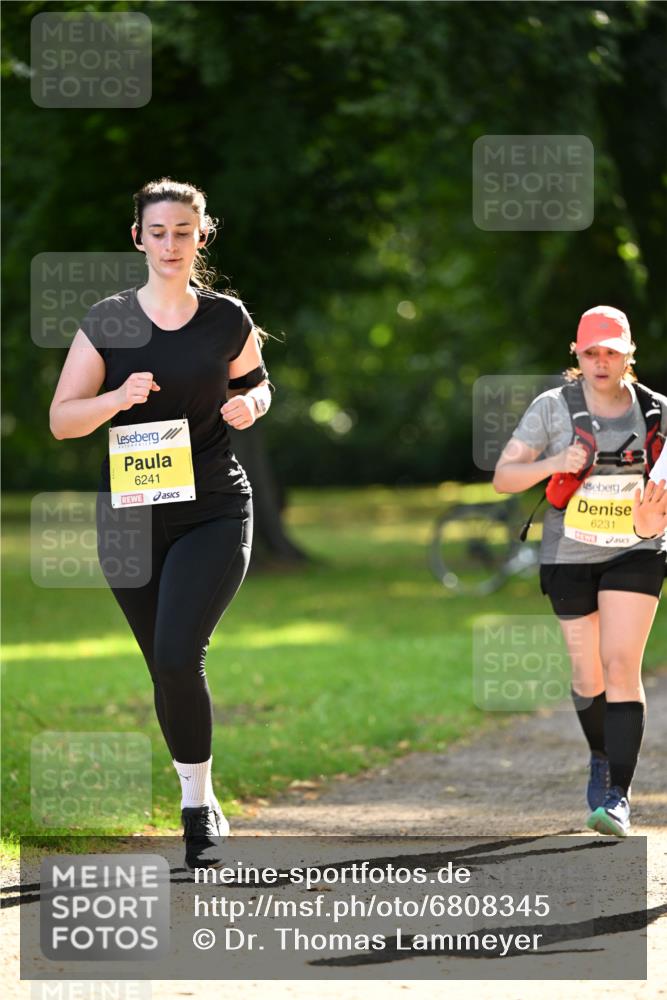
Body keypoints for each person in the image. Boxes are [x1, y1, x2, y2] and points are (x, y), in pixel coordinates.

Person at [49, 178, 273, 870]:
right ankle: (200, 787)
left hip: (212, 508)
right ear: (138, 238)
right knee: (164, 669)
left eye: (184, 231)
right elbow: (62, 420)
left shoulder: (225, 318)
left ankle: (195, 814)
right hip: (129, 521)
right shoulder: (108, 319)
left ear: (201, 236)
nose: (171, 243)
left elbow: (256, 382)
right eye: (158, 231)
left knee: (180, 656)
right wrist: (116, 397)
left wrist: (254, 406)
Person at [493, 305, 666, 837]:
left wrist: (654, 510)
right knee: (588, 675)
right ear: (576, 352)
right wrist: (552, 463)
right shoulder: (553, 407)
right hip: (569, 554)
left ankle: (616, 794)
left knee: (619, 665)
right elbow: (504, 476)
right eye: (591, 351)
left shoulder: (656, 411)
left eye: (611, 351)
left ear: (627, 354)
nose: (600, 361)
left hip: (636, 548)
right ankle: (600, 754)